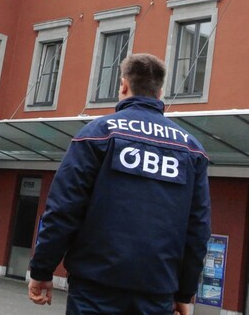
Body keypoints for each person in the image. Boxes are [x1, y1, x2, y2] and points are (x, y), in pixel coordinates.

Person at [28, 53, 211, 315]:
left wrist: (42, 269)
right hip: (156, 292)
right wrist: (184, 292)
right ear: (159, 92)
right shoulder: (192, 150)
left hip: (94, 289)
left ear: (123, 85)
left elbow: (62, 210)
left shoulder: (97, 134)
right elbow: (198, 230)